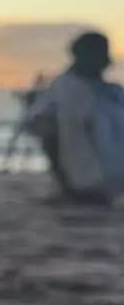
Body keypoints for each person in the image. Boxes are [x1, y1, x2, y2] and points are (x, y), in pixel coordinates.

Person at [26, 31, 124, 204]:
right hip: (84, 177)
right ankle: (71, 190)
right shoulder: (64, 89)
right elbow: (38, 124)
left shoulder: (113, 92)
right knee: (48, 125)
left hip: (114, 177)